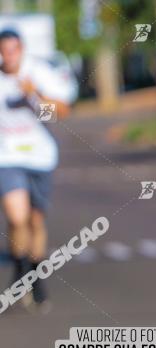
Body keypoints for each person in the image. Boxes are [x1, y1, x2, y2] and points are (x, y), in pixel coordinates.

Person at [0, 28, 76, 310]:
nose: (8, 56)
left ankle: (33, 274)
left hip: (40, 157)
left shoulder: (38, 73)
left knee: (35, 221)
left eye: (13, 50)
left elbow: (62, 112)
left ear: (22, 49)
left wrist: (36, 96)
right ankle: (22, 271)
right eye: (3, 50)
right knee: (17, 217)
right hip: (7, 157)